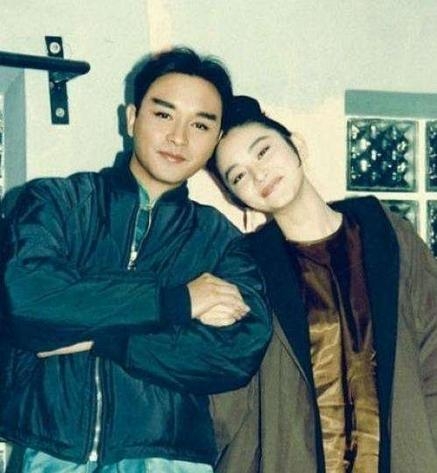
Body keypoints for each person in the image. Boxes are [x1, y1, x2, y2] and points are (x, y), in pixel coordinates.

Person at [0, 50, 271, 473]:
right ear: (131, 119)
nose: (179, 138)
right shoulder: (57, 202)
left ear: (216, 140)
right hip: (52, 455)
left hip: (171, 461)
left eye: (200, 125)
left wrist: (106, 339)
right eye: (164, 115)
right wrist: (178, 302)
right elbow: (29, 302)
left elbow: (236, 352)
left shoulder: (222, 242)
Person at [209, 96, 437, 472]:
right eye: (238, 176)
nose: (258, 175)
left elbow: (433, 348)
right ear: (237, 199)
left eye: (263, 151)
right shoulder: (248, 271)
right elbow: (232, 401)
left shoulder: (387, 235)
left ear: (297, 145)